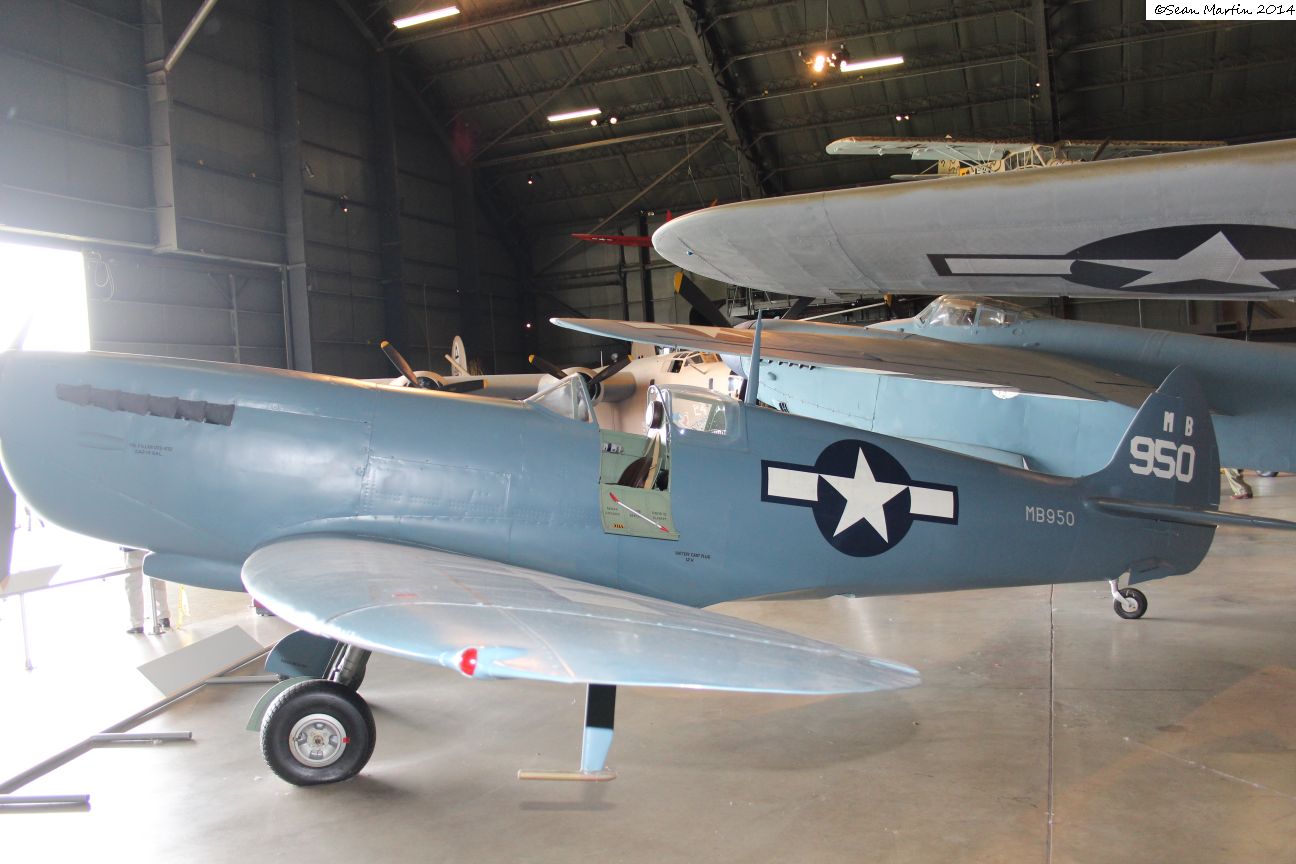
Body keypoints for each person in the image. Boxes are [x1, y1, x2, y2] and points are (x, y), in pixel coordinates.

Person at [122, 547, 171, 634]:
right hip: (153, 544)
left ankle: (137, 623)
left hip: (133, 545)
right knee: (157, 577)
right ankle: (163, 617)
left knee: (133, 581)